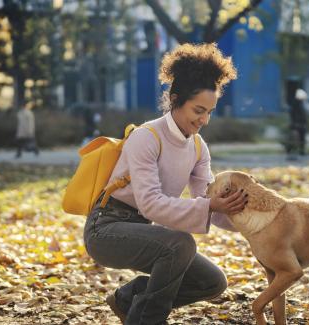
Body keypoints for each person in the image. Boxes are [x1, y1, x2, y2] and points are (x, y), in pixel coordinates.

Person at [83, 43, 247, 325]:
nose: (204, 120)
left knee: (212, 282)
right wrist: (210, 205)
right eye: (198, 110)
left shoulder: (198, 147)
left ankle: (127, 298)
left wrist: (260, 222)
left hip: (144, 231)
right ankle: (147, 319)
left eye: (210, 111)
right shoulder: (147, 137)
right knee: (180, 243)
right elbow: (150, 203)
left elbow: (211, 205)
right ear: (175, 99)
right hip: (106, 228)